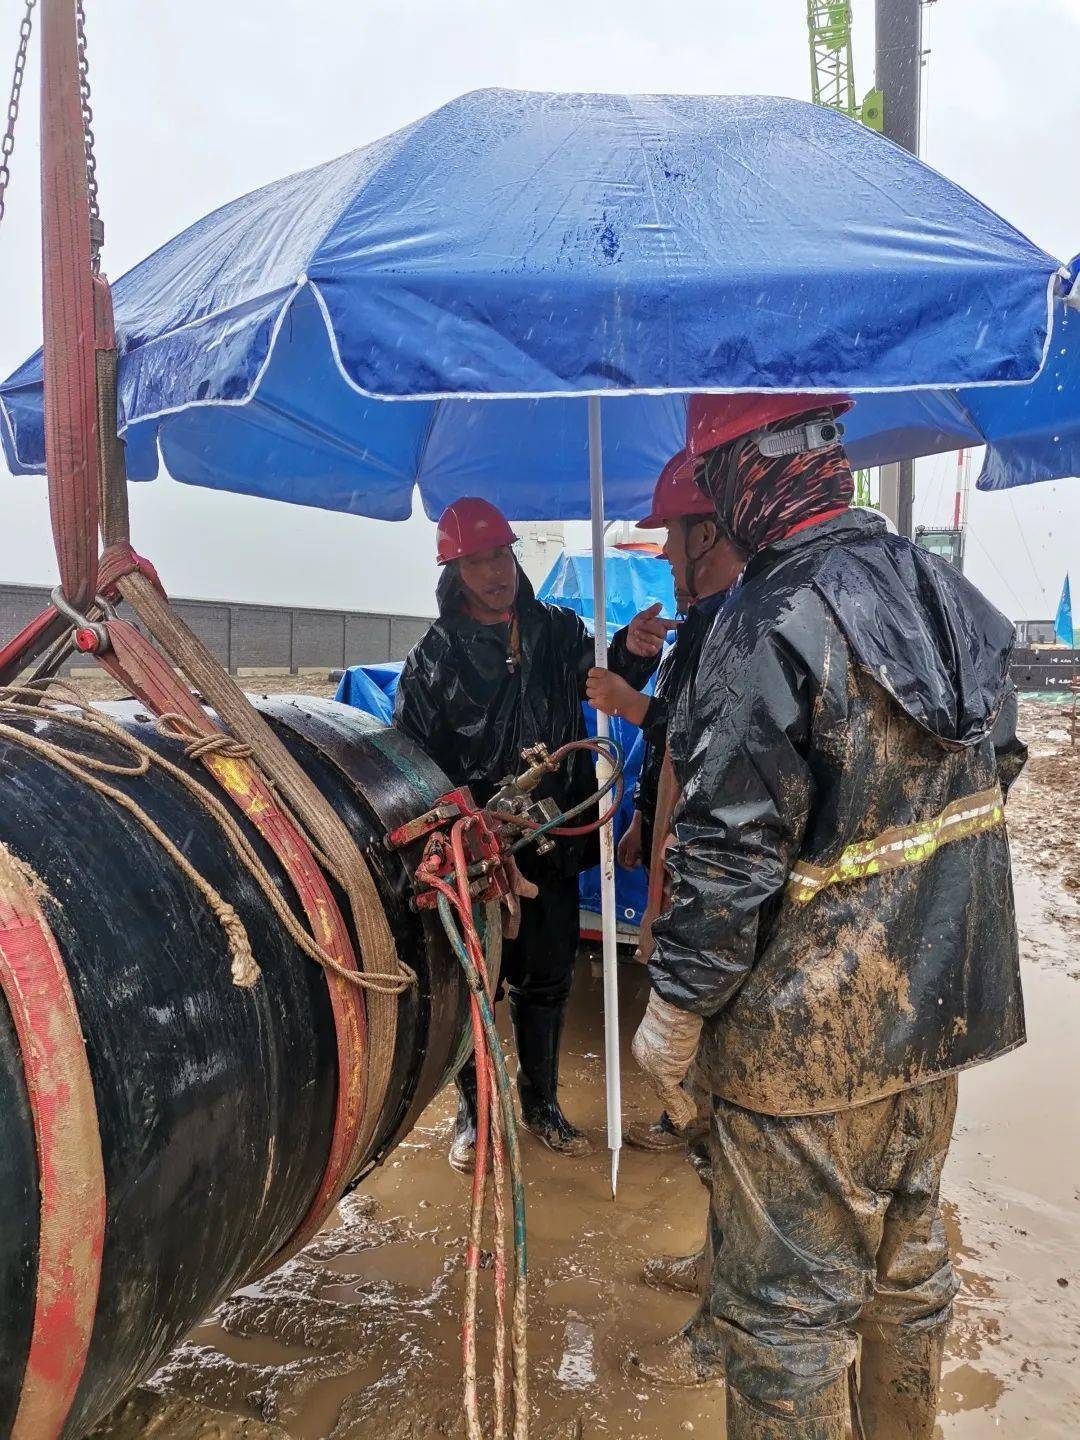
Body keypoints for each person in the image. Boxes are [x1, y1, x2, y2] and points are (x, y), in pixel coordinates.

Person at [629, 393, 1027, 1439]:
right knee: (908, 1274)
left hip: (805, 1055)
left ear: (746, 469)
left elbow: (726, 854)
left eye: (709, 481)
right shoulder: (947, 595)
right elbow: (1000, 768)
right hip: (937, 1015)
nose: (709, 509)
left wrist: (675, 1007)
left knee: (786, 1327)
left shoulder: (766, 617)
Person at [394, 497, 665, 1170]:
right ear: (454, 572)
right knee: (473, 991)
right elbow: (408, 764)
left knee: (547, 983)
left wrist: (633, 653)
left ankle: (541, 1105)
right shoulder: (432, 661)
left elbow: (604, 686)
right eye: (479, 561)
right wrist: (461, 823)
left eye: (502, 556)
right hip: (476, 854)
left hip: (551, 845)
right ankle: (473, 1115)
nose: (495, 572)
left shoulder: (555, 632)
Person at [587, 449, 743, 1162]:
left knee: (704, 1018)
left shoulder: (742, 626)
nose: (667, 560)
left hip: (719, 869)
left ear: (706, 535)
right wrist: (645, 822)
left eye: (672, 541)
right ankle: (695, 1127)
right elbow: (680, 751)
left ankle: (707, 1133)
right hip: (678, 843)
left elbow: (709, 740)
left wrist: (626, 703)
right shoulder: (704, 624)